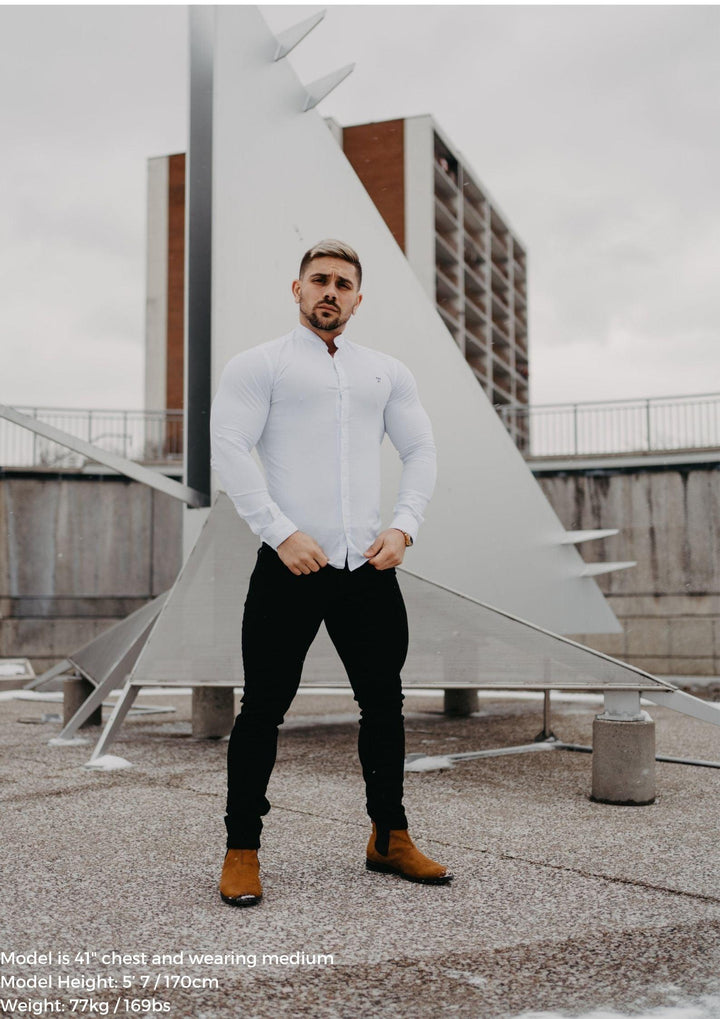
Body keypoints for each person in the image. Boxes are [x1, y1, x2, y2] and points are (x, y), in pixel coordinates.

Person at [210, 239, 452, 907]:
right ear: (297, 288)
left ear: (358, 298)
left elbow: (421, 448)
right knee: (261, 707)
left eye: (343, 283)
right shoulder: (261, 365)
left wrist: (404, 524)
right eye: (320, 279)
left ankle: (389, 837)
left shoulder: (386, 372)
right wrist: (280, 532)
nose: (331, 291)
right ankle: (242, 849)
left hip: (367, 566)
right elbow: (228, 445)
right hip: (291, 562)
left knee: (384, 706)